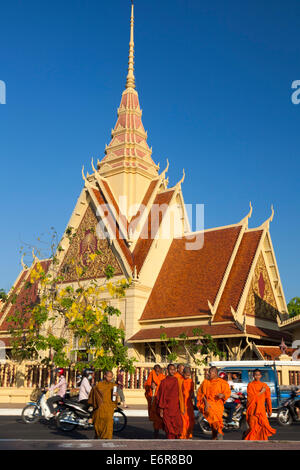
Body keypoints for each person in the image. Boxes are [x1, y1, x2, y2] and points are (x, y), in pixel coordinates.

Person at [197, 366, 231, 440]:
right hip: (209, 403)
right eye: (209, 372)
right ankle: (219, 431)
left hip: (218, 404)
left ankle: (215, 435)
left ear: (215, 373)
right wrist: (206, 403)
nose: (209, 374)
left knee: (216, 421)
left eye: (211, 372)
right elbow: (201, 394)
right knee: (213, 417)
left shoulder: (222, 382)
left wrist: (222, 395)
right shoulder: (206, 382)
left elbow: (227, 392)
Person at [243, 369, 276, 441]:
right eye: (255, 375)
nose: (257, 376)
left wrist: (269, 409)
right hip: (253, 409)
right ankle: (248, 440)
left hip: (261, 410)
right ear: (253, 376)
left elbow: (268, 398)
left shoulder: (264, 385)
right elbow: (250, 398)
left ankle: (261, 445)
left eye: (258, 375)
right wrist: (261, 392)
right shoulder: (250, 385)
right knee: (253, 428)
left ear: (260, 376)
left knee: (262, 427)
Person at [156, 363, 184, 439]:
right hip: (167, 408)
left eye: (173, 369)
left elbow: (181, 395)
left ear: (175, 370)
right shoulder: (164, 382)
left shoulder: (178, 381)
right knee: (169, 428)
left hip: (176, 408)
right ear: (167, 370)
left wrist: (182, 407)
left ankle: (176, 443)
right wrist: (161, 409)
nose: (172, 371)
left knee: (178, 426)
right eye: (170, 369)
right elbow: (161, 396)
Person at [87, 370, 118, 439]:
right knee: (98, 425)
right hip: (99, 409)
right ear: (104, 376)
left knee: (108, 426)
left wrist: (116, 396)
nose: (110, 378)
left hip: (108, 410)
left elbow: (114, 400)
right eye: (108, 377)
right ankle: (99, 438)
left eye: (111, 377)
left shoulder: (113, 386)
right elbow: (92, 395)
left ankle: (107, 440)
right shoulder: (98, 385)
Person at [144, 364, 166, 438]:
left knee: (164, 419)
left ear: (160, 371)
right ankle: (155, 435)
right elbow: (146, 385)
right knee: (156, 420)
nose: (157, 373)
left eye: (158, 371)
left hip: (161, 399)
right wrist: (150, 386)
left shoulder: (163, 377)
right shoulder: (151, 376)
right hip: (154, 400)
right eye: (155, 371)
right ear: (153, 370)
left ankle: (168, 435)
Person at [180, 366, 195, 439]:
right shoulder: (180, 381)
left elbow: (192, 392)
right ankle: (183, 435)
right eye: (186, 375)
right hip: (182, 403)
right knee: (183, 421)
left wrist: (192, 394)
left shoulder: (191, 381)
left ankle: (189, 434)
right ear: (183, 373)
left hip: (189, 403)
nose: (187, 377)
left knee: (190, 419)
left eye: (189, 375)